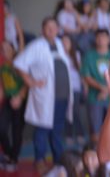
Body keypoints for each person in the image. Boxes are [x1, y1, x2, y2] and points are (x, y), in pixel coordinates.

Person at [13, 17, 73, 175]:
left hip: (62, 97)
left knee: (57, 131)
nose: (51, 30)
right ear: (42, 30)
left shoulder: (59, 44)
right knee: (43, 130)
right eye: (48, 27)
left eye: (54, 27)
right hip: (46, 97)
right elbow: (18, 63)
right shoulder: (37, 45)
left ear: (58, 29)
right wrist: (30, 81)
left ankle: (58, 161)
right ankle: (39, 160)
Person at [80, 29, 110, 143]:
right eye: (99, 37)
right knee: (95, 131)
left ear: (109, 39)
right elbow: (86, 76)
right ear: (95, 40)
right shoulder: (89, 55)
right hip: (94, 98)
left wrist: (107, 91)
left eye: (104, 37)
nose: (101, 39)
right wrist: (103, 88)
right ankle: (95, 158)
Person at [0, 41, 27, 172]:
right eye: (2, 49)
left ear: (13, 49)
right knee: (1, 128)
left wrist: (19, 97)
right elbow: (3, 86)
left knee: (17, 131)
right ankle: (9, 154)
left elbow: (26, 83)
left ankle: (14, 159)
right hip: (8, 99)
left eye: (7, 48)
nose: (4, 50)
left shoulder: (20, 63)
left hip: (20, 100)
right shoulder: (4, 66)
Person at [62, 35, 85, 145]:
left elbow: (81, 72)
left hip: (75, 87)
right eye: (63, 42)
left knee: (75, 112)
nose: (65, 43)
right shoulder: (59, 55)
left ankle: (80, 133)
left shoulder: (76, 55)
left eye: (67, 41)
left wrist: (84, 85)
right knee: (67, 112)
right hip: (63, 88)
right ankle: (69, 135)